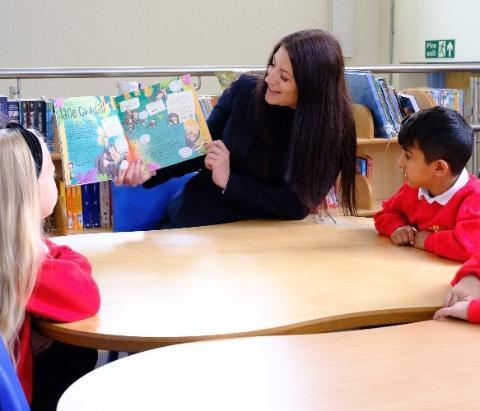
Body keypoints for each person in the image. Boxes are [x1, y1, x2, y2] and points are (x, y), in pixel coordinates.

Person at [115, 29, 357, 228]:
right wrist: (151, 169)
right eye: (272, 66)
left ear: (312, 88)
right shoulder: (245, 92)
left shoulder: (334, 130)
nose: (269, 79)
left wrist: (230, 181)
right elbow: (197, 148)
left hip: (267, 237)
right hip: (198, 222)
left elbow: (297, 204)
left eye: (284, 77)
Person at [0, 123, 101, 410]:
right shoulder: (20, 267)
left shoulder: (11, 251)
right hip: (25, 399)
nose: (56, 179)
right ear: (30, 189)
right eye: (50, 174)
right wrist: (67, 258)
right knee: (78, 354)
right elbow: (85, 295)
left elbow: (55, 251)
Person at [373, 107, 480, 323]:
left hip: (449, 292)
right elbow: (385, 212)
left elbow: (468, 246)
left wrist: (425, 240)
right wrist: (396, 228)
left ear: (439, 168)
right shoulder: (413, 189)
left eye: (408, 156)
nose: (400, 162)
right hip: (412, 282)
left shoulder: (474, 197)